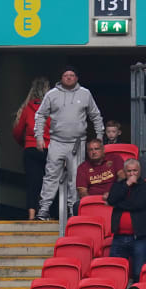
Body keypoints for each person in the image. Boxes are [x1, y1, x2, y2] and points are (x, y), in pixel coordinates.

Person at [34, 66, 104, 221]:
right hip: (57, 141)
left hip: (77, 142)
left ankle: (74, 211)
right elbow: (40, 115)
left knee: (76, 178)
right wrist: (39, 137)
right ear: (61, 77)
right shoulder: (52, 94)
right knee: (51, 175)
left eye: (72, 75)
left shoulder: (85, 94)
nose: (69, 77)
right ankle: (44, 209)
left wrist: (99, 137)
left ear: (77, 78)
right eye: (66, 75)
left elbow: (96, 116)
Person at [13, 77, 51, 221]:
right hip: (49, 149)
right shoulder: (52, 108)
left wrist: (26, 144)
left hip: (31, 149)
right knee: (49, 183)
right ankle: (46, 212)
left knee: (32, 183)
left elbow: (17, 131)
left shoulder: (27, 108)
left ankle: (31, 215)